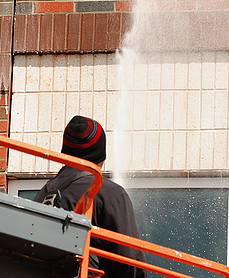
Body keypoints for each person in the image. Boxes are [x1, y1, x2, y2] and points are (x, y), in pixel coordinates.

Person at [35, 115, 146, 278]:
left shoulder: (43, 194)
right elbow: (131, 262)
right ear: (101, 154)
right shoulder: (110, 194)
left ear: (65, 151)